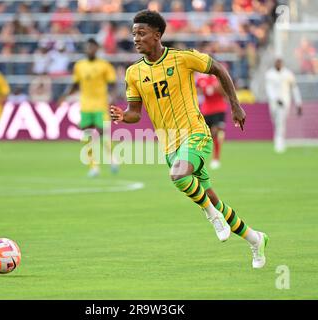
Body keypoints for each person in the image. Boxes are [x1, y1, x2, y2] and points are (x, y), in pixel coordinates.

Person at [110, 10, 268, 268]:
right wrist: (122, 116)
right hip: (170, 145)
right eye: (133, 34)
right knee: (211, 197)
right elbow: (135, 113)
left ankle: (211, 215)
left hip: (196, 133)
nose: (136, 39)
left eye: (141, 33)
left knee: (179, 176)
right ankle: (255, 239)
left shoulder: (182, 58)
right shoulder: (133, 73)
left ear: (157, 35)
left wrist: (235, 105)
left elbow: (218, 68)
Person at [59, 38, 119, 177]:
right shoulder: (79, 65)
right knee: (87, 136)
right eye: (88, 47)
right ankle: (94, 166)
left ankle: (112, 159)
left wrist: (113, 97)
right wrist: (64, 96)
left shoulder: (104, 65)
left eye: (92, 47)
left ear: (97, 49)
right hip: (85, 105)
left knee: (103, 133)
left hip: (100, 104)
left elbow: (112, 83)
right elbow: (75, 84)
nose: (90, 49)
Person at [265, 58, 303, 153]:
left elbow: (294, 88)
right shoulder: (270, 74)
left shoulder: (288, 74)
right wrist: (275, 99)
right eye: (277, 63)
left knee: (281, 121)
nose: (278, 64)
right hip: (274, 103)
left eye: (280, 63)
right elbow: (269, 89)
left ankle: (279, 143)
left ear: (282, 64)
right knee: (276, 121)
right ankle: (279, 140)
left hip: (285, 101)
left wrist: (298, 102)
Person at [196, 73, 228, 169]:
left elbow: (224, 92)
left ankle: (216, 158)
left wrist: (218, 87)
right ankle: (200, 159)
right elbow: (198, 90)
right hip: (206, 110)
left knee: (216, 133)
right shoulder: (201, 77)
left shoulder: (218, 76)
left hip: (219, 109)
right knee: (205, 136)